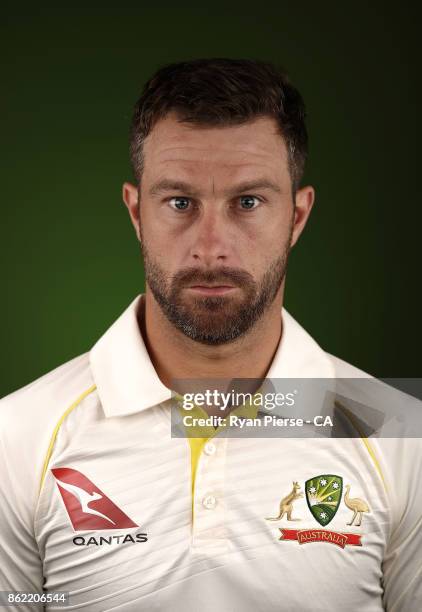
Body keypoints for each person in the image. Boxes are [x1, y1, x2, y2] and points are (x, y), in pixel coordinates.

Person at [0, 58, 420, 612]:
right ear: (135, 213)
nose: (211, 246)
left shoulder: (399, 432)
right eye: (180, 203)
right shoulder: (17, 436)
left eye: (248, 203)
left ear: (296, 217)